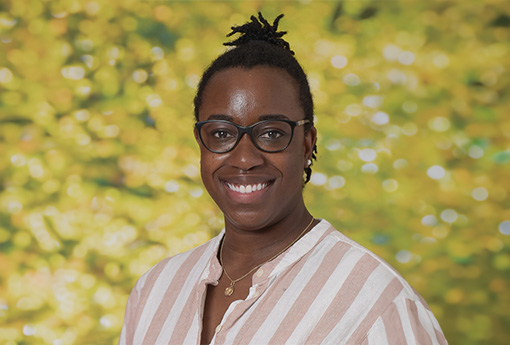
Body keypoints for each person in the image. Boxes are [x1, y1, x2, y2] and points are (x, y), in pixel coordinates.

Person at [119, 13, 448, 345]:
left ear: (307, 144)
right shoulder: (156, 289)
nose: (245, 159)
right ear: (200, 141)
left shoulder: (377, 304)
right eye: (221, 133)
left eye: (272, 133)